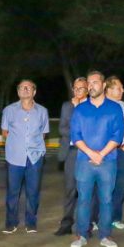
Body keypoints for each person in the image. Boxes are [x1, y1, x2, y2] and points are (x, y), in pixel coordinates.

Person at [69, 71, 124, 247]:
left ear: (103, 85)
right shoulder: (80, 109)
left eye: (95, 82)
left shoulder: (115, 108)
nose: (91, 86)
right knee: (83, 199)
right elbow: (75, 135)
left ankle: (105, 235)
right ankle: (82, 235)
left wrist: (101, 154)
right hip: (84, 162)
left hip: (107, 162)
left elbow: (118, 135)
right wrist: (91, 153)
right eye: (89, 83)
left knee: (106, 200)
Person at [1, 79, 49, 234]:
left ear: (34, 92)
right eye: (22, 87)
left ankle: (31, 222)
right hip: (14, 157)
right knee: (13, 192)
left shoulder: (42, 111)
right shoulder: (9, 110)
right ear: (18, 91)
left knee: (33, 191)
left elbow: (44, 133)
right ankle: (11, 222)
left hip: (34, 157)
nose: (25, 89)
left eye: (29, 87)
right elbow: (5, 132)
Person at [53, 77, 88, 236]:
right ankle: (66, 223)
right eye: (76, 88)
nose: (78, 91)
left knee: (87, 190)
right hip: (72, 153)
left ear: (87, 90)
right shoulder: (67, 106)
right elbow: (62, 129)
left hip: (88, 152)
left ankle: (86, 224)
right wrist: (75, 109)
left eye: (81, 88)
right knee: (70, 189)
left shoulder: (92, 106)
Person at [105, 75, 124, 230]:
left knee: (120, 184)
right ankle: (96, 219)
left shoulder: (123, 106)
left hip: (121, 151)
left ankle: (115, 217)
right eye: (118, 87)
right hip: (105, 152)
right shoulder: (101, 105)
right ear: (108, 89)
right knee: (103, 186)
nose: (122, 90)